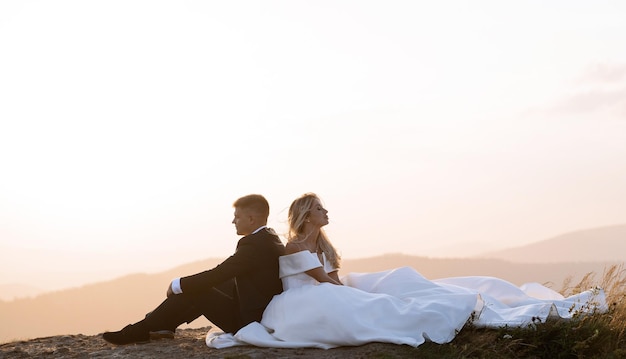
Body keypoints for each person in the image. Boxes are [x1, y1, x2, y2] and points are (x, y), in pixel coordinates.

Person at [206, 193, 608, 349]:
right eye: (321, 208)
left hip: (329, 286)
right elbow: (323, 282)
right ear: (307, 215)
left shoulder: (323, 245)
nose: (327, 212)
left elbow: (334, 275)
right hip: (306, 297)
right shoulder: (294, 246)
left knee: (400, 278)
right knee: (378, 300)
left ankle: (478, 304)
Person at [103, 194, 285, 345]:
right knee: (216, 284)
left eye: (237, 217)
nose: (233, 221)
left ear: (251, 219)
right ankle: (162, 325)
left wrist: (178, 284)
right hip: (261, 310)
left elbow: (219, 272)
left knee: (199, 290)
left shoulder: (253, 246)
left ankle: (139, 330)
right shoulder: (269, 237)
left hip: (249, 321)